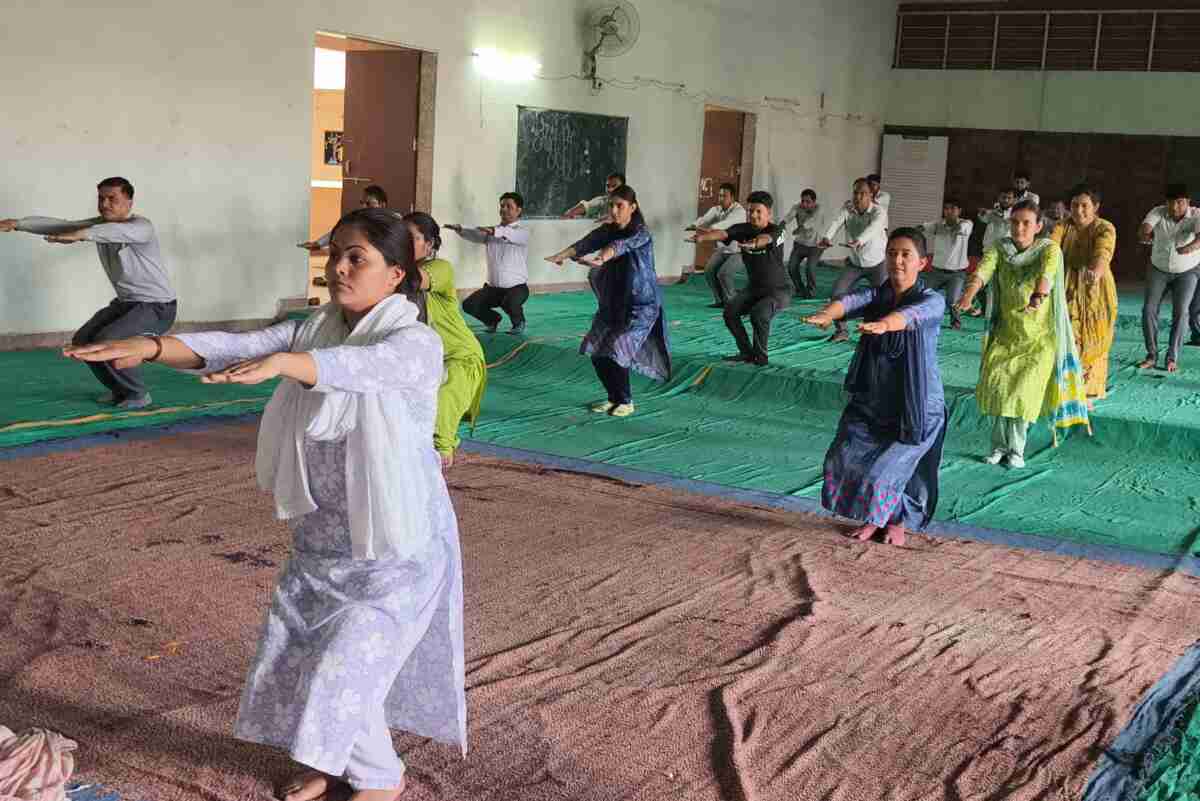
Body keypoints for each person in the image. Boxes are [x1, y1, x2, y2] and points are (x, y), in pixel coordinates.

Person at [62, 208, 466, 801]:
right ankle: (343, 763)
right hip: (323, 543)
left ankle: (381, 780)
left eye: (358, 258)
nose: (340, 268)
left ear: (396, 274)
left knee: (345, 663)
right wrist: (149, 346)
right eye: (336, 254)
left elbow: (359, 368)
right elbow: (236, 345)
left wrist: (286, 365)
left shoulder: (416, 343)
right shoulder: (314, 328)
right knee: (307, 662)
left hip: (397, 549)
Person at [801, 228, 946, 547]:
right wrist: (827, 314)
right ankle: (875, 517)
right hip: (874, 399)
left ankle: (896, 521)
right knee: (841, 459)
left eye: (906, 254)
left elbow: (913, 315)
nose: (897, 260)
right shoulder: (877, 295)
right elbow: (852, 301)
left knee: (882, 473)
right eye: (892, 253)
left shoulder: (932, 300)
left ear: (923, 262)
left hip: (916, 406)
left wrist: (886, 324)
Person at [1, 177, 177, 409]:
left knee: (106, 341)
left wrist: (79, 235)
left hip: (157, 307)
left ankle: (137, 394)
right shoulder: (98, 226)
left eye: (112, 198)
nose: (105, 204)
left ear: (129, 202)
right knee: (84, 342)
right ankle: (121, 390)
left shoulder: (142, 227)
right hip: (126, 304)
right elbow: (63, 226)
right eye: (101, 199)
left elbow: (99, 232)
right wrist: (19, 224)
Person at [954, 200, 1090, 468]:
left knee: (1021, 394)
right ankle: (997, 447)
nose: (1019, 228)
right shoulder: (999, 248)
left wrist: (1038, 297)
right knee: (998, 389)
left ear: (1038, 226)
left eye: (1026, 223)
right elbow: (983, 270)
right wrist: (968, 295)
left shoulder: (1048, 250)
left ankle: (1016, 450)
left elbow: (1047, 275)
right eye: (1015, 222)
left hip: (1039, 340)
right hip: (1005, 335)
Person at [545, 185, 670, 417]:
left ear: (633, 207)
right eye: (611, 205)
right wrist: (561, 256)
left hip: (641, 305)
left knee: (618, 347)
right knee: (596, 351)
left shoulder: (641, 233)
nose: (614, 211)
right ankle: (614, 398)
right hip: (612, 302)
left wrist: (602, 258)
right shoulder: (607, 230)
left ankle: (627, 401)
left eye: (619, 206)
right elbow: (586, 243)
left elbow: (619, 247)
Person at [404, 212, 487, 469]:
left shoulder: (440, 269)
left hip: (460, 357)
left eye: (412, 237)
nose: (404, 242)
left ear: (429, 245)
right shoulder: (391, 275)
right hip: (423, 360)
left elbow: (414, 280)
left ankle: (442, 452)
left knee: (445, 397)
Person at [688, 190, 790, 366]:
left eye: (759, 211)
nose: (754, 215)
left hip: (778, 291)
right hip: (754, 288)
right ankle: (746, 352)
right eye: (750, 211)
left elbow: (767, 238)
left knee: (759, 314)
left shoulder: (777, 230)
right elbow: (723, 234)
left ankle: (761, 357)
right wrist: (703, 237)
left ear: (769, 213)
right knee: (730, 313)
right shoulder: (743, 229)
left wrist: (755, 243)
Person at [1050, 183, 1118, 405]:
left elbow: (1103, 251)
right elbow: (1051, 248)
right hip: (1067, 287)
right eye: (1074, 205)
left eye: (1084, 206)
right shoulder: (1062, 226)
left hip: (1097, 289)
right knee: (1070, 335)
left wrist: (1095, 271)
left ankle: (1088, 390)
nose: (1078, 211)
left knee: (1096, 337)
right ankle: (1069, 388)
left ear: (1096, 207)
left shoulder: (1104, 227)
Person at [1137, 184, 1200, 372]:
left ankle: (1172, 357)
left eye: (1180, 203)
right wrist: (1145, 233)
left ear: (1187, 202)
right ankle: (1151, 355)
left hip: (1187, 271)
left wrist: (1192, 246)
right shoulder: (1158, 211)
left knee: (1181, 312)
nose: (1174, 207)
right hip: (1159, 269)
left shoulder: (1196, 214)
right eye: (1171, 203)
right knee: (1148, 309)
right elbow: (1145, 226)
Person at [449, 192, 531, 334]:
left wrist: (494, 231)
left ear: (519, 210)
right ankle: (492, 319)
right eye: (502, 206)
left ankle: (519, 323)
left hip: (517, 289)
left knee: (510, 303)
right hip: (493, 289)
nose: (503, 209)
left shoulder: (522, 232)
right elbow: (476, 235)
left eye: (508, 206)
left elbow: (509, 234)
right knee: (469, 305)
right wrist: (460, 229)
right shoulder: (493, 232)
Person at [820, 178, 890, 342]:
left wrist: (859, 240)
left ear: (871, 196)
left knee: (885, 298)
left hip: (877, 264)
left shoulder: (879, 212)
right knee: (837, 293)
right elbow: (837, 222)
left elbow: (873, 229)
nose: (858, 197)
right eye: (855, 193)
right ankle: (842, 331)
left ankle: (880, 331)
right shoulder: (848, 207)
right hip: (855, 264)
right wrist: (826, 237)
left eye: (863, 193)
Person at [687, 181, 747, 308]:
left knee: (724, 274)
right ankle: (720, 300)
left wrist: (711, 229)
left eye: (724, 196)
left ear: (732, 198)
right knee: (709, 271)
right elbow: (705, 219)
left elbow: (728, 224)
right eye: (719, 195)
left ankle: (733, 303)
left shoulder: (739, 211)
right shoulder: (717, 209)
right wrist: (694, 225)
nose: (721, 199)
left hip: (739, 250)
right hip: (723, 249)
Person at [920, 200, 973, 329]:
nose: (949, 211)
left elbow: (959, 228)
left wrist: (945, 226)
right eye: (946, 209)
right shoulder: (937, 224)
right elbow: (921, 227)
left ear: (959, 211)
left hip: (957, 273)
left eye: (953, 209)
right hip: (936, 271)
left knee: (952, 301)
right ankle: (922, 319)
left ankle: (956, 321)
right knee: (924, 295)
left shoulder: (966, 223)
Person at [299, 184, 389, 251]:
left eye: (368, 204)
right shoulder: (360, 220)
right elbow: (340, 231)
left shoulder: (394, 224)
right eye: (362, 203)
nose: (363, 207)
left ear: (382, 205)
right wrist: (318, 243)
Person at [778, 188, 825, 298]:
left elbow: (811, 222)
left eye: (808, 202)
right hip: (800, 243)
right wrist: (781, 225)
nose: (804, 204)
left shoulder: (819, 209)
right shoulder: (797, 207)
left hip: (816, 245)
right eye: (802, 201)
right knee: (791, 267)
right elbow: (788, 216)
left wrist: (799, 228)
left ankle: (810, 291)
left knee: (810, 268)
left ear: (814, 202)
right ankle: (800, 289)